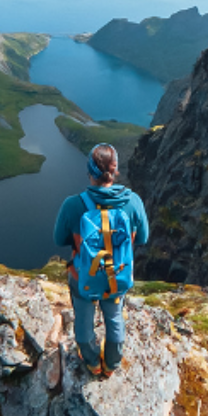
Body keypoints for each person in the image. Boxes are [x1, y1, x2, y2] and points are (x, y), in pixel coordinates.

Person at [51, 142, 149, 378]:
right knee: (114, 319)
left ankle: (92, 361)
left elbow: (58, 239)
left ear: (89, 171)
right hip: (118, 276)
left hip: (83, 276)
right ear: (114, 171)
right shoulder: (133, 201)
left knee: (83, 322)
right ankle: (111, 365)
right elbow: (143, 238)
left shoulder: (73, 205)